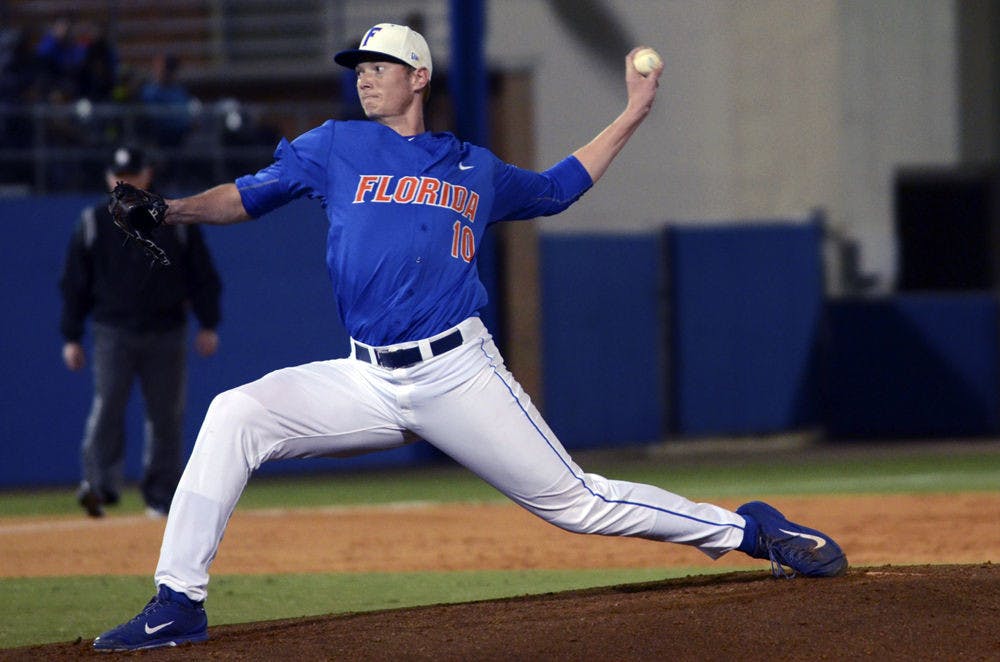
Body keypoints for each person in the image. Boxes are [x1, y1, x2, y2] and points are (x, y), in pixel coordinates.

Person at [92, 23, 847, 651]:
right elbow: (246, 198)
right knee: (235, 414)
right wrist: (171, 211)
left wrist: (633, 112)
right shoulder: (332, 147)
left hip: (458, 374)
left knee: (578, 504)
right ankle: (178, 603)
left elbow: (558, 187)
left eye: (380, 65)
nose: (365, 77)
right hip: (366, 378)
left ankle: (751, 532)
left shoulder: (473, 167)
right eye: (359, 67)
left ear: (418, 76)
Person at [60, 145, 222, 520]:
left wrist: (208, 323)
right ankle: (98, 487)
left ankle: (161, 494)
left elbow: (202, 276)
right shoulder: (93, 222)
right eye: (120, 177)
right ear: (108, 178)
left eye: (132, 175)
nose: (125, 183)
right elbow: (74, 284)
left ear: (147, 175)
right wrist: (71, 335)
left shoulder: (173, 221)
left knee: (166, 415)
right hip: (112, 330)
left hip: (166, 330)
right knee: (107, 409)